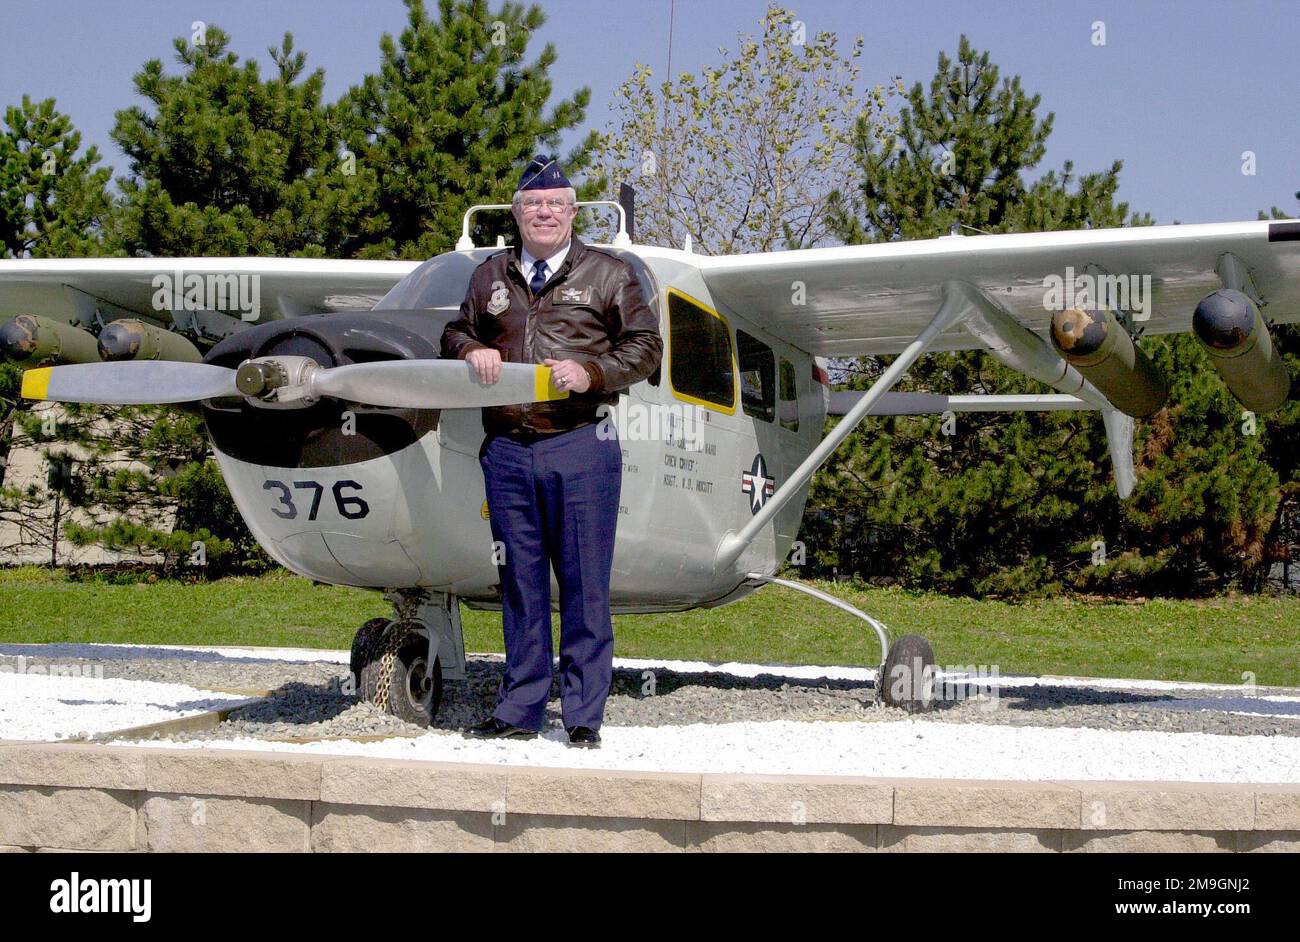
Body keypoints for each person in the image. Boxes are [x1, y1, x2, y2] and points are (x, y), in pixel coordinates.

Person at [441, 155, 662, 747]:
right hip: (508, 450)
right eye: (532, 204)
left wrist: (592, 372)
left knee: (586, 582)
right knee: (520, 581)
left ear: (571, 213)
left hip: (581, 443)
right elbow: (456, 331)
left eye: (555, 204)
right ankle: (519, 709)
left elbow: (646, 348)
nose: (544, 213)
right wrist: (470, 351)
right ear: (517, 214)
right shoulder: (490, 275)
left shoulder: (611, 274)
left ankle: (585, 715)